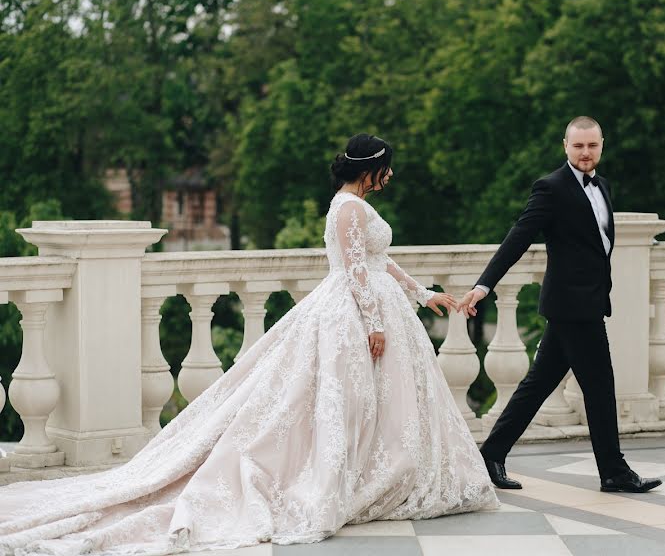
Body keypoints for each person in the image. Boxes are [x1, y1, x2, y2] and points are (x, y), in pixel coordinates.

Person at [0, 133, 498, 555]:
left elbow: (378, 260)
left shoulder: (358, 208)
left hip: (375, 305)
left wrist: (421, 293)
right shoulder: (347, 209)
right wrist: (374, 323)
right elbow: (352, 272)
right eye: (385, 170)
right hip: (353, 313)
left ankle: (388, 470)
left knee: (377, 406)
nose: (389, 177)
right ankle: (346, 477)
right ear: (369, 171)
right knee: (335, 402)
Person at [458, 116, 662, 494]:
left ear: (602, 145)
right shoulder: (550, 188)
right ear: (565, 146)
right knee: (600, 387)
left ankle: (490, 455)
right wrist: (484, 285)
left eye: (592, 145)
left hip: (589, 302)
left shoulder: (603, 186)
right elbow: (518, 237)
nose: (586, 152)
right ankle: (614, 472)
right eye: (578, 145)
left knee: (538, 385)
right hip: (572, 307)